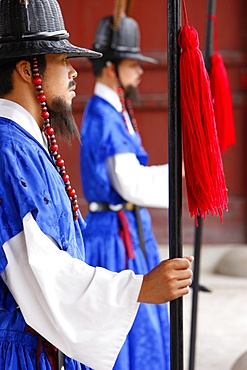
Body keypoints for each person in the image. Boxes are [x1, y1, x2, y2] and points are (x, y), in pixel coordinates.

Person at [0, 1, 193, 370]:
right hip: (23, 351)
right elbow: (40, 271)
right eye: (62, 61)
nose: (74, 73)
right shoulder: (9, 150)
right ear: (27, 69)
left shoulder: (24, 143)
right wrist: (136, 288)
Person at [80, 14, 176, 370]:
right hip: (114, 238)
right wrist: (178, 177)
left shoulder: (115, 109)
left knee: (142, 324)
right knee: (125, 326)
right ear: (109, 67)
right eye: (133, 63)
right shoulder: (104, 114)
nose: (139, 72)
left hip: (129, 229)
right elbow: (129, 183)